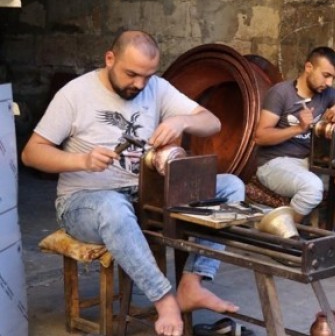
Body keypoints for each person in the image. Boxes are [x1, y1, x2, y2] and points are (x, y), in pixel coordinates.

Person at [21, 30, 245, 336]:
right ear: (110, 58)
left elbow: (212, 122)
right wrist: (82, 161)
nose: (139, 84)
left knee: (231, 187)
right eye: (131, 74)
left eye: (147, 75)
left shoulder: (157, 88)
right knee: (113, 208)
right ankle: (165, 300)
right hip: (84, 202)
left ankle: (192, 284)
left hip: (144, 196)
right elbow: (31, 153)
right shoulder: (75, 94)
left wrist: (181, 121)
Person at [253, 46, 335, 226]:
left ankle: (328, 228)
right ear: (309, 67)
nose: (330, 83)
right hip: (273, 163)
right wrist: (298, 128)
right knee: (312, 188)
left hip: (310, 162)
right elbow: (260, 136)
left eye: (333, 77)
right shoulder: (281, 93)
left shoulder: (327, 92)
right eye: (326, 75)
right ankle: (284, 238)